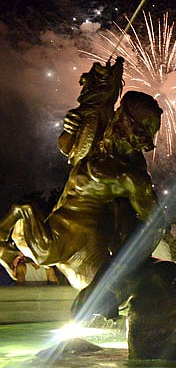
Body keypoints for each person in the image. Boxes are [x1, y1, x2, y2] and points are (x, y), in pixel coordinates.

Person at [0, 89, 164, 290]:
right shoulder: (103, 145)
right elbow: (69, 147)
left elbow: (156, 221)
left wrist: (123, 263)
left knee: (32, 228)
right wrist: (71, 127)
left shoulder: (130, 174)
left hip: (82, 242)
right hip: (68, 232)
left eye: (120, 113)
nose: (115, 116)